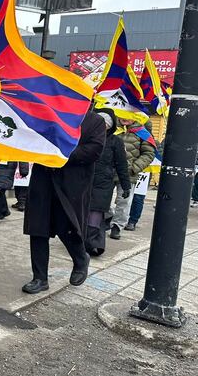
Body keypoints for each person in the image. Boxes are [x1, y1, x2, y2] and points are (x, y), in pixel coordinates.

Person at [22, 110, 105, 294]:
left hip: (72, 184)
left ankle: (80, 259)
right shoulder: (50, 114)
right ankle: (40, 278)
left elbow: (94, 150)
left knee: (67, 226)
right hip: (43, 179)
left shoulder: (95, 121)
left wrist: (61, 154)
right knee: (38, 228)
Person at [85, 109, 131, 256]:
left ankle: (93, 245)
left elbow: (122, 165)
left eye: (105, 124)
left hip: (103, 184)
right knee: (82, 213)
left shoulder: (115, 141)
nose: (102, 126)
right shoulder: (86, 137)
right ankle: (81, 243)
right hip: (84, 181)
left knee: (95, 215)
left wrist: (126, 186)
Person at [109, 118, 156, 239]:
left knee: (124, 201)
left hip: (128, 173)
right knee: (102, 198)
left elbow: (149, 154)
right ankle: (105, 219)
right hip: (108, 171)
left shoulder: (142, 132)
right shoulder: (112, 128)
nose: (125, 118)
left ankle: (117, 226)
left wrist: (134, 168)